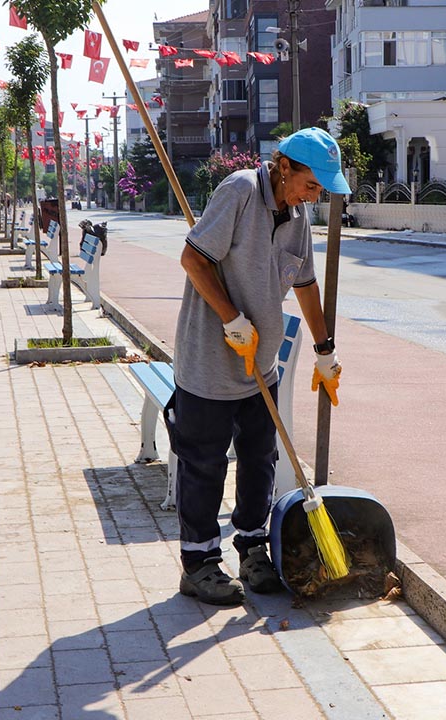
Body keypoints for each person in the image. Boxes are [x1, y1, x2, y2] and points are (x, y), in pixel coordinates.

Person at [172, 127, 348, 606]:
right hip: (210, 364)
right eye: (312, 184)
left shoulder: (297, 215)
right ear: (285, 167)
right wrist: (231, 319)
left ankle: (252, 548)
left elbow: (306, 284)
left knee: (259, 462)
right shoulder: (240, 192)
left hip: (260, 368)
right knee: (205, 464)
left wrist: (324, 350)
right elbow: (193, 258)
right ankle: (200, 563)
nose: (315, 195)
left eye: (321, 189)